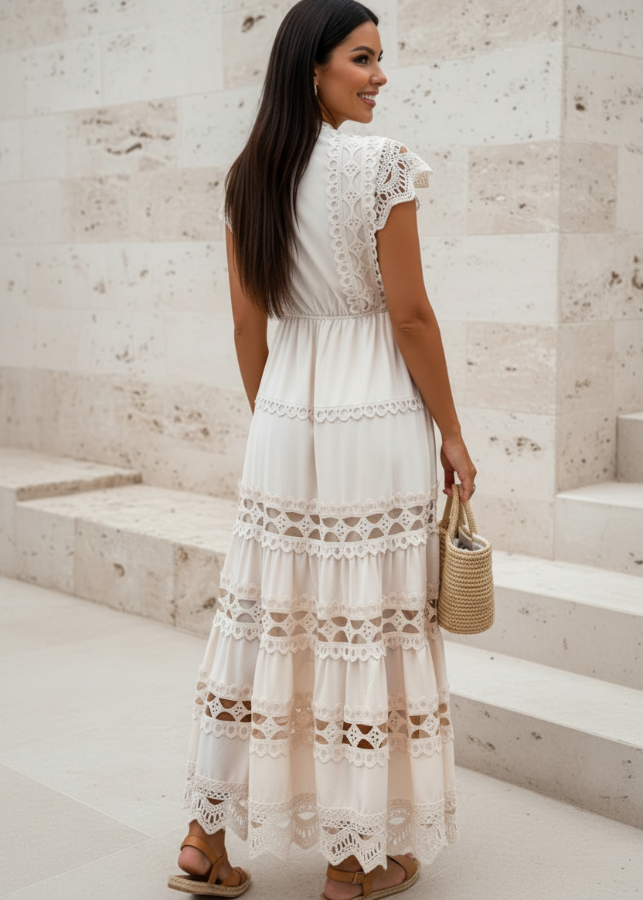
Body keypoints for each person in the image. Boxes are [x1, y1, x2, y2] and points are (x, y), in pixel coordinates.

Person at [168, 0, 477, 896]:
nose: (380, 75)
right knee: (362, 623)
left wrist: (271, 417)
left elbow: (244, 323)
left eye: (380, 59)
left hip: (283, 417)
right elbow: (410, 316)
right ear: (312, 67)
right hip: (372, 412)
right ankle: (352, 860)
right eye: (362, 58)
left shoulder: (248, 176)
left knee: (264, 619)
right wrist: (451, 431)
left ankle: (204, 840)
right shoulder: (381, 164)